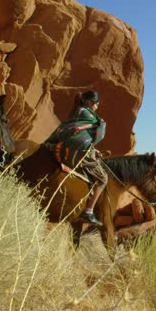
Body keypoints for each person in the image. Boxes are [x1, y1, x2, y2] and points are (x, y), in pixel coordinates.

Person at [45, 90, 108, 227]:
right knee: (103, 178)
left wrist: (94, 150)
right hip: (78, 151)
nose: (97, 107)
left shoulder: (78, 112)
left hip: (76, 147)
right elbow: (93, 132)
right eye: (97, 104)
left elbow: (79, 134)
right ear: (91, 103)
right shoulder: (88, 114)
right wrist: (101, 124)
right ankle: (89, 211)